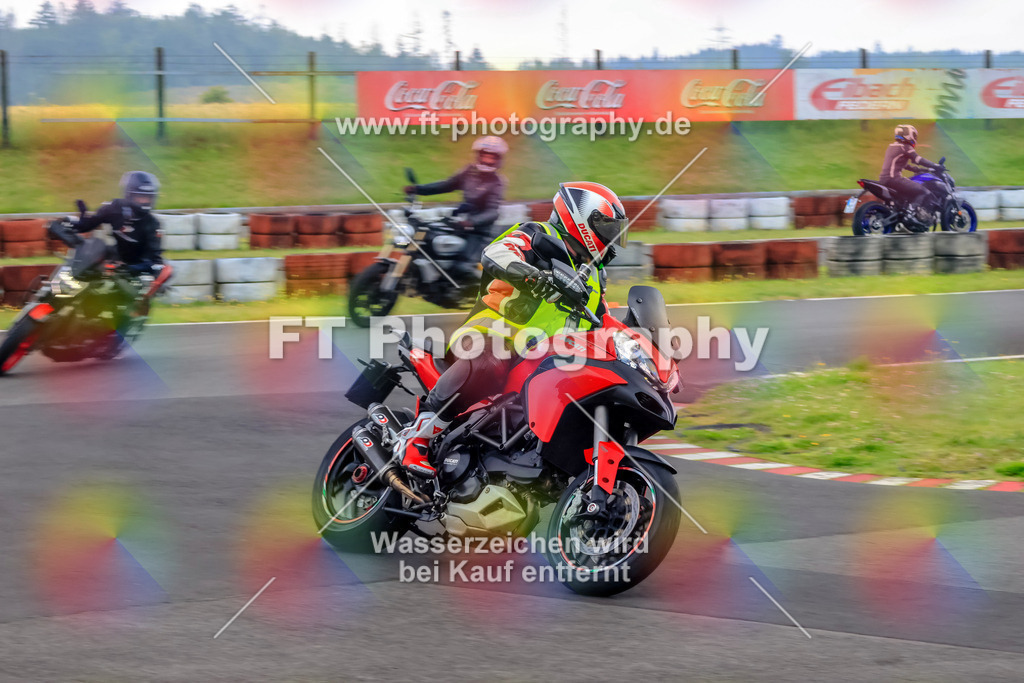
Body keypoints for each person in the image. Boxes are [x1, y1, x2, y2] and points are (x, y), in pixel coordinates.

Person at [396, 181, 628, 478]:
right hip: (493, 336)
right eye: (607, 227)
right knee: (490, 358)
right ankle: (418, 436)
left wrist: (639, 340)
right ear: (584, 218)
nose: (612, 237)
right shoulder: (537, 235)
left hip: (541, 361)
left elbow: (603, 321)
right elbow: (497, 253)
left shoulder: (595, 276)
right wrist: (531, 274)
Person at [70, 171, 171, 321]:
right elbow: (89, 225)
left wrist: (135, 270)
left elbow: (154, 259)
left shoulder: (153, 224)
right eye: (140, 197)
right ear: (129, 195)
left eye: (148, 198)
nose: (145, 201)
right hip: (114, 260)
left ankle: (125, 320)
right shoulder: (114, 208)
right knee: (90, 261)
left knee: (123, 314)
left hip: (135, 271)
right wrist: (82, 222)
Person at [403, 136, 508, 277]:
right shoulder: (468, 172)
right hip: (459, 224)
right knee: (430, 242)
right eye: (485, 155)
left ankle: (468, 287)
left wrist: (472, 222)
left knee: (462, 268)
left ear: (498, 160)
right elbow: (446, 185)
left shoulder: (497, 182)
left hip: (479, 232)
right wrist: (418, 189)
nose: (487, 160)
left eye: (492, 157)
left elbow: (492, 212)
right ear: (478, 155)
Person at [879, 124, 944, 225]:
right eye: (914, 135)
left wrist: (921, 169)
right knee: (924, 191)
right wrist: (935, 165)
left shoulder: (891, 146)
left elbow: (904, 165)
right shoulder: (905, 147)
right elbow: (918, 159)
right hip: (894, 179)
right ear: (908, 135)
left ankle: (904, 213)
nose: (915, 138)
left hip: (883, 179)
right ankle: (910, 212)